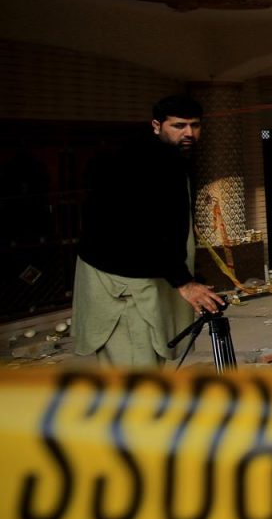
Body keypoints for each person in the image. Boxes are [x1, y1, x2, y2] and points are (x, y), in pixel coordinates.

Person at [73, 95, 224, 367]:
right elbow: (145, 227)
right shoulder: (142, 159)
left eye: (195, 125)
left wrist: (188, 275)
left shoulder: (169, 157)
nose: (189, 133)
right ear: (157, 125)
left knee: (150, 358)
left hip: (144, 277)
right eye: (179, 126)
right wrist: (184, 282)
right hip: (120, 283)